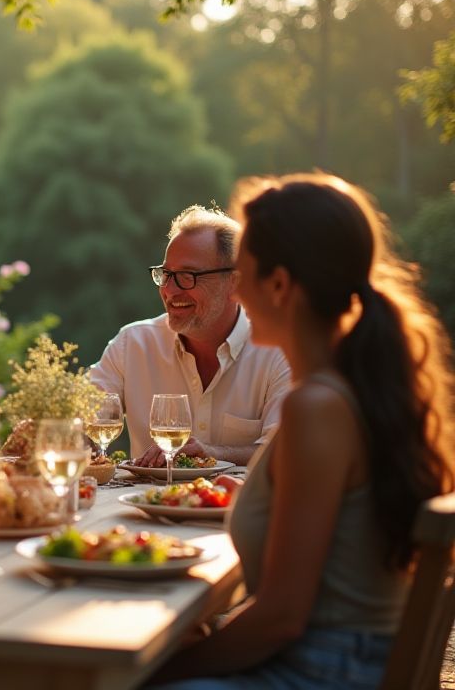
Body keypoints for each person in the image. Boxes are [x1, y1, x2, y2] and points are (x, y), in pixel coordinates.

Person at [148, 174, 455, 689]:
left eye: (241, 273)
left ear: (280, 285)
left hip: (324, 670)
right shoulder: (356, 389)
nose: (235, 290)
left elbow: (281, 619)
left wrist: (157, 671)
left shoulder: (317, 407)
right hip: (347, 659)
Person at [90, 205, 291, 466]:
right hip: (142, 506)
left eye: (187, 276)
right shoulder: (132, 344)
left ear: (236, 283)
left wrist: (215, 453)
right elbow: (85, 420)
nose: (170, 290)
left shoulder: (278, 351)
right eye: (165, 274)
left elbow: (285, 453)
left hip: (232, 506)